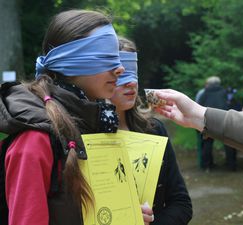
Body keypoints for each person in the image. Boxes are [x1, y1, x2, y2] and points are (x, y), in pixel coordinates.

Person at [0, 9, 157, 225]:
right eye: (106, 57)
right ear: (72, 61)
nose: (120, 68)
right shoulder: (35, 139)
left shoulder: (98, 121)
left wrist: (126, 213)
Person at [110, 37, 193, 225]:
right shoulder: (83, 137)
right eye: (119, 75)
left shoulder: (153, 130)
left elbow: (181, 204)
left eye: (133, 74)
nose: (130, 83)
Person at [153, 89, 243, 164]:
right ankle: (229, 165)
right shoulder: (225, 92)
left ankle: (209, 165)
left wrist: (199, 117)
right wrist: (198, 116)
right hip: (212, 127)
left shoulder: (203, 93)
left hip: (211, 128)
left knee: (208, 148)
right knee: (225, 151)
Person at [197, 76, 232, 171]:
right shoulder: (225, 93)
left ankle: (207, 166)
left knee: (207, 143)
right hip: (224, 121)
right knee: (230, 142)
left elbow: (198, 108)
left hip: (208, 122)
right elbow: (230, 106)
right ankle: (231, 165)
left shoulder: (204, 94)